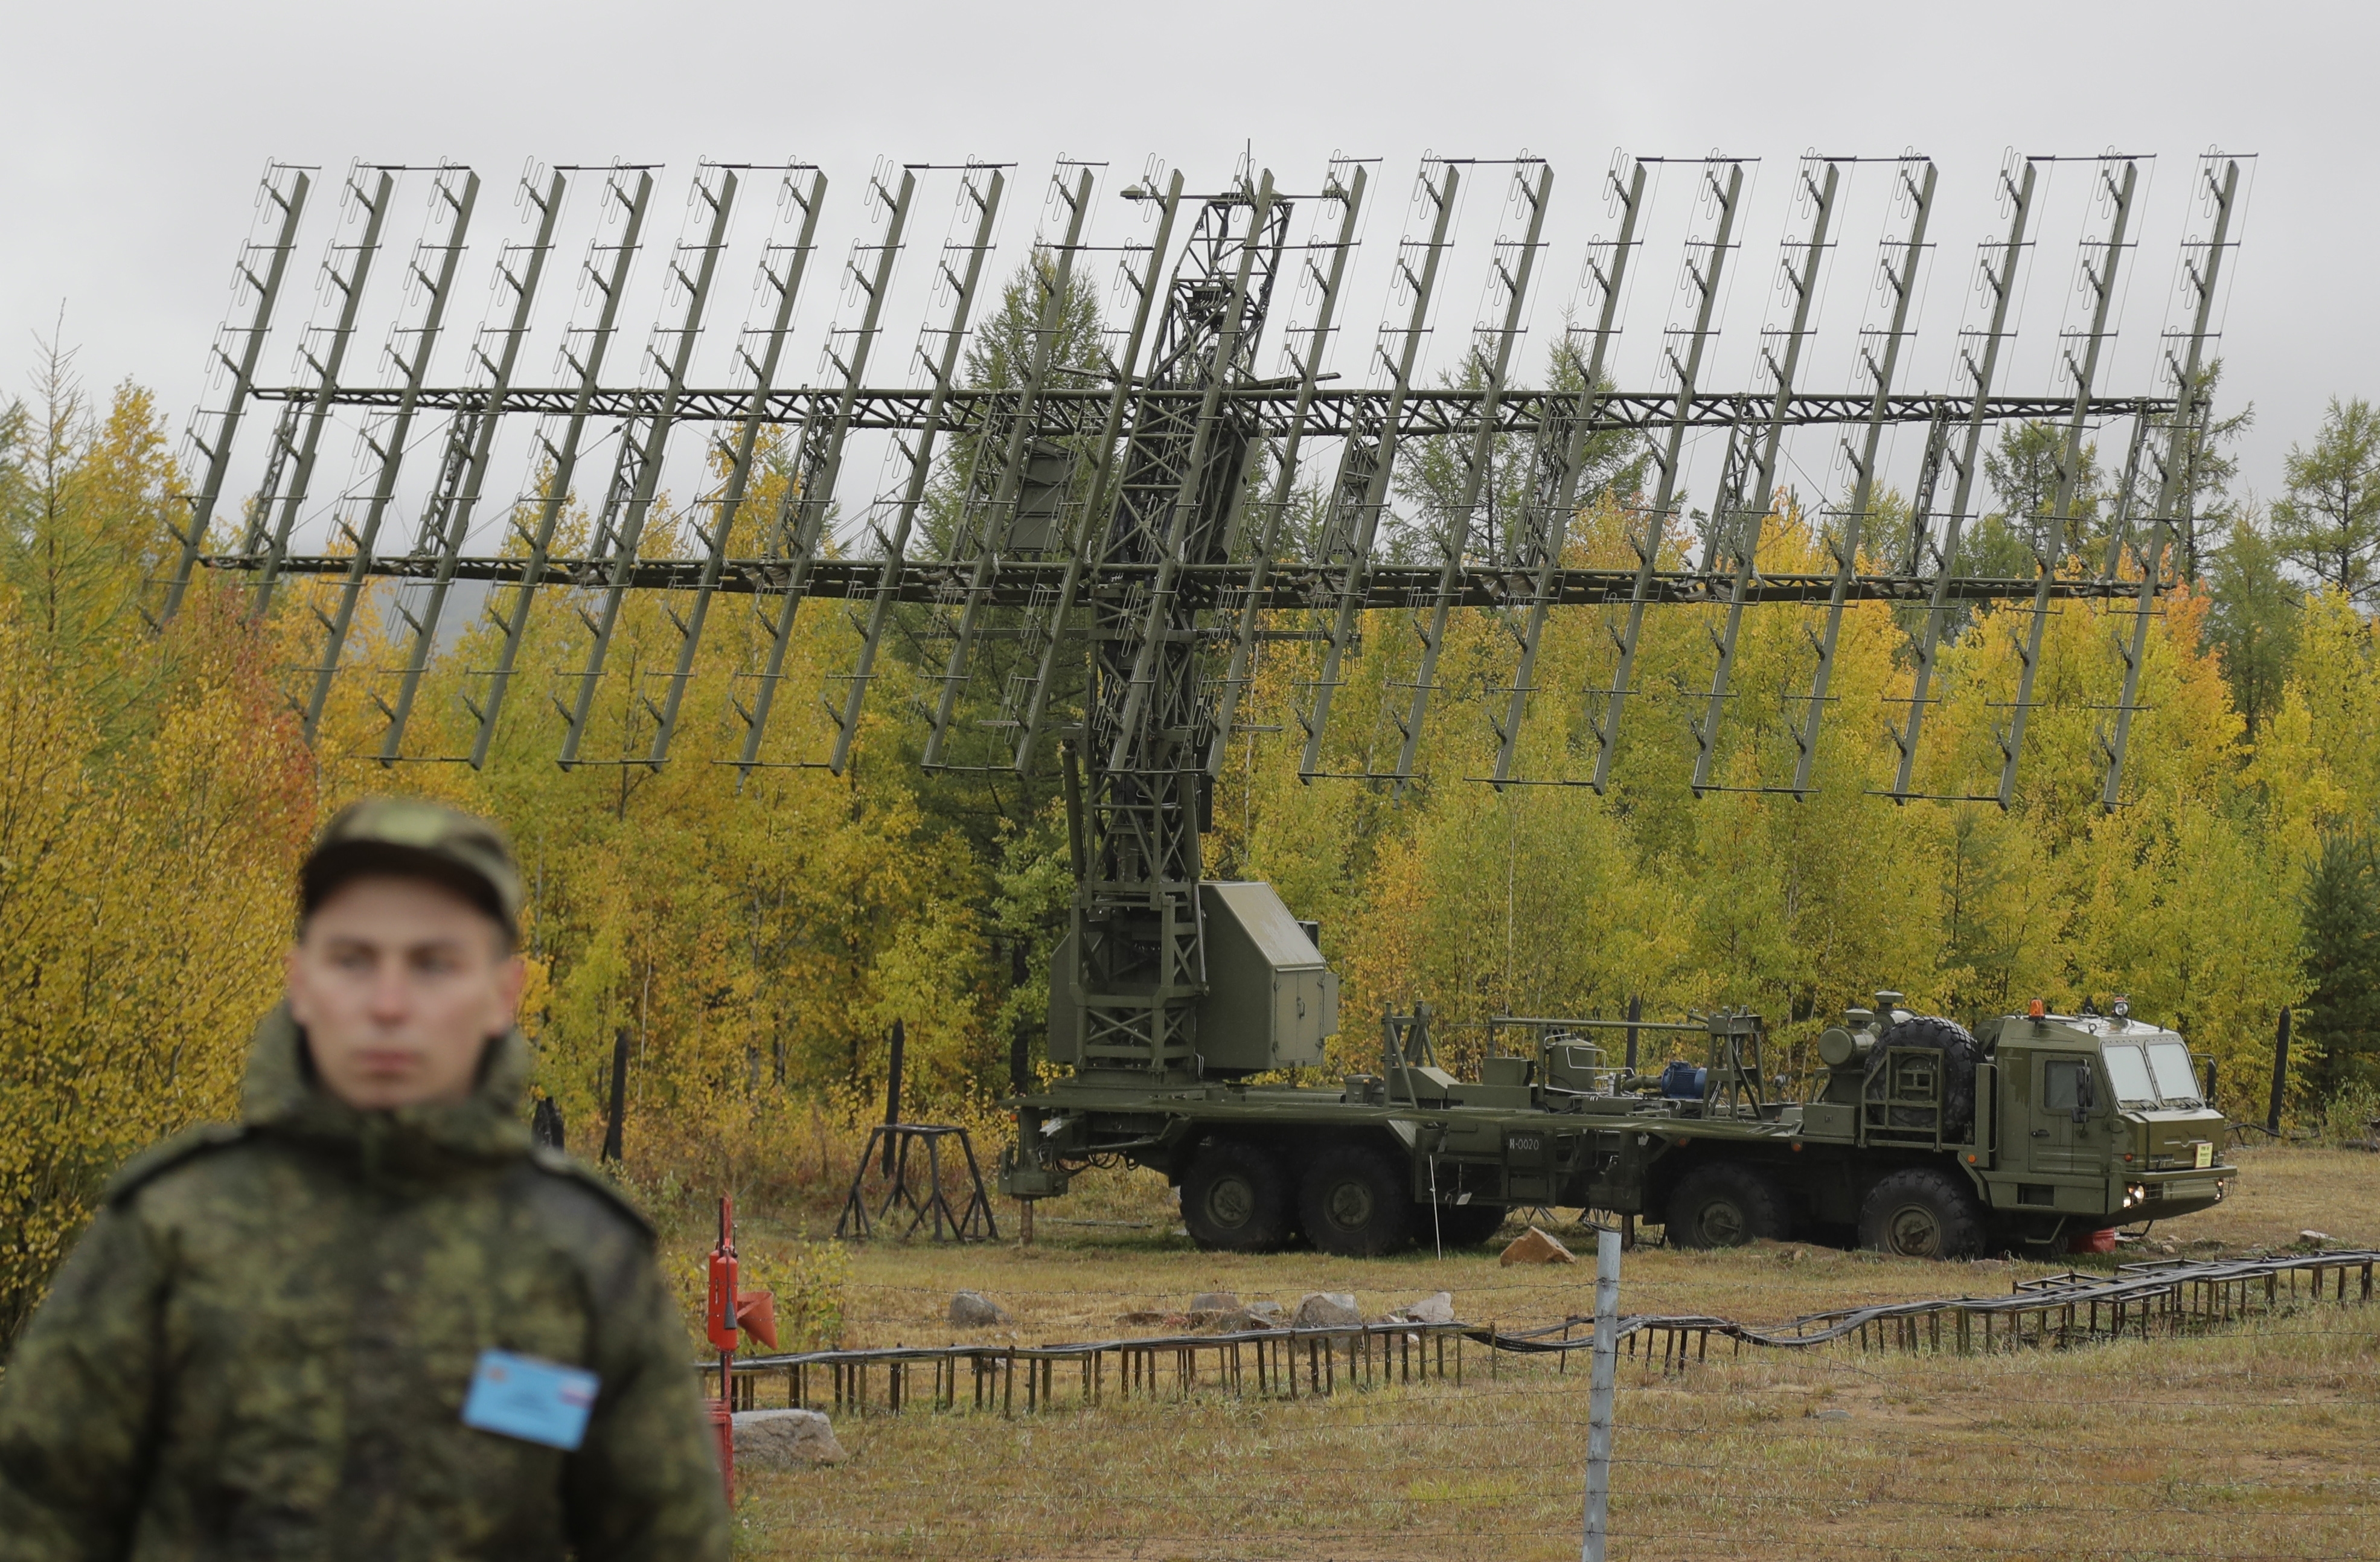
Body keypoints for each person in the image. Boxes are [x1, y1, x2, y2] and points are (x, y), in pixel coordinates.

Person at [0, 798, 731, 1561]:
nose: (389, 1004)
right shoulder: (170, 1229)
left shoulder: (583, 1256)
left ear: (501, 995)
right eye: (353, 959)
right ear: (301, 981)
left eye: (433, 964)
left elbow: (670, 1539)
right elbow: (38, 1516)